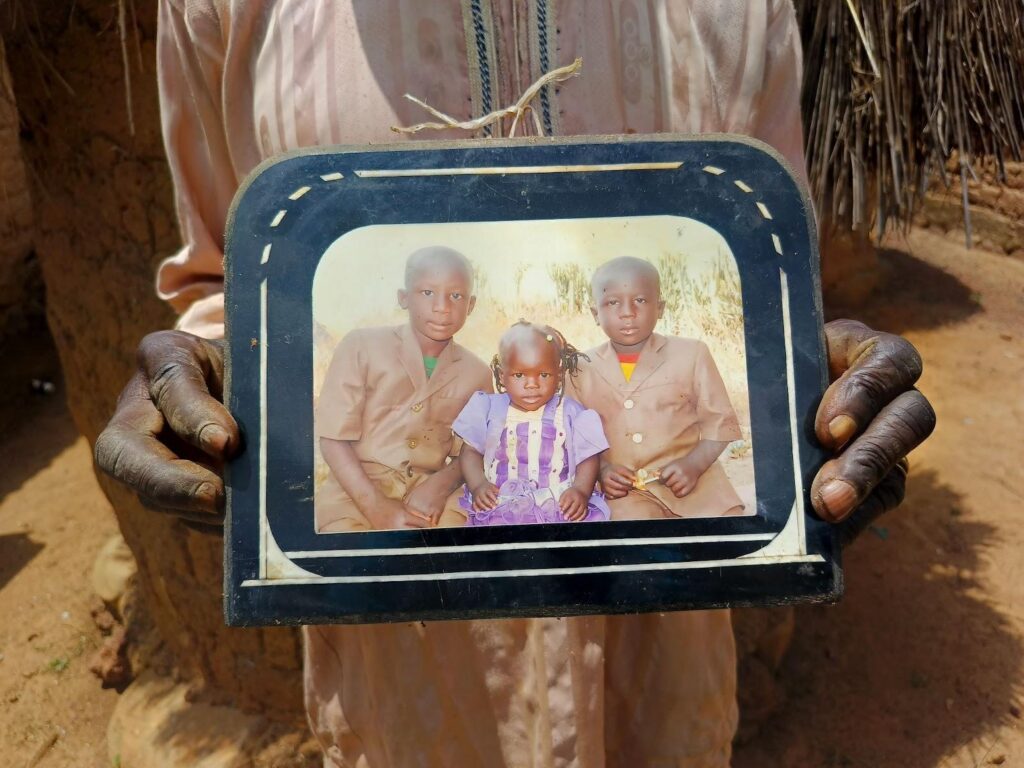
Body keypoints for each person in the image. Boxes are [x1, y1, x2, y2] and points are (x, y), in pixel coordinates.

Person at [94, 2, 937, 765]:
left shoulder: (738, 13)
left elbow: (770, 285)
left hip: (663, 667)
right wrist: (215, 390)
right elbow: (220, 284)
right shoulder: (223, 9)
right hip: (402, 680)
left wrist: (810, 406)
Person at [316, 246, 491, 532]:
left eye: (456, 296)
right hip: (355, 489)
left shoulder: (478, 373)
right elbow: (333, 439)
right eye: (427, 293)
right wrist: (376, 507)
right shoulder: (361, 346)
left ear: (470, 305)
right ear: (403, 297)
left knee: (455, 550)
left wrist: (440, 485)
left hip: (432, 494)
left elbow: (475, 451)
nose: (442, 306)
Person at [569, 256, 745, 520]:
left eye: (640, 300)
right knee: (633, 544)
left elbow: (720, 423)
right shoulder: (579, 368)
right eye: (612, 302)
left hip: (697, 486)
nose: (627, 312)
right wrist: (602, 470)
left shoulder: (692, 353)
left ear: (660, 308)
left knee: (729, 543)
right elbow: (573, 437)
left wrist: (695, 464)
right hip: (625, 495)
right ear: (596, 313)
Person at [454, 321, 610, 526]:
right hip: (501, 504)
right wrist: (478, 485)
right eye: (519, 375)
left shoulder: (571, 412)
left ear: (559, 375)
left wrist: (581, 490)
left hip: (557, 504)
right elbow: (470, 452)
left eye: (544, 375)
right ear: (502, 376)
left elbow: (587, 458)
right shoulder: (487, 408)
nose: (532, 385)